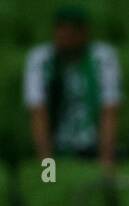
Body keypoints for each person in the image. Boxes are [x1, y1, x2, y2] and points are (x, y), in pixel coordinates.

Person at [23, 5, 121, 168]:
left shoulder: (102, 58)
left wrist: (106, 163)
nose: (67, 36)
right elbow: (38, 114)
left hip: (92, 147)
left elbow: (109, 111)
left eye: (73, 31)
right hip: (58, 147)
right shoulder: (40, 60)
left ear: (84, 32)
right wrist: (47, 168)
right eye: (62, 30)